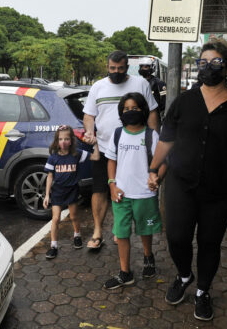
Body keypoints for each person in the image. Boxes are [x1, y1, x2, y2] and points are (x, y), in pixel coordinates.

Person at [148, 38, 227, 321]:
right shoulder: (185, 101)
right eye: (203, 63)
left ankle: (203, 291)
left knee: (209, 241)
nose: (208, 68)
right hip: (181, 183)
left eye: (215, 63)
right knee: (176, 236)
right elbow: (167, 139)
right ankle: (185, 275)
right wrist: (154, 169)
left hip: (222, 189)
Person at [83, 50, 159, 249]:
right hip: (104, 148)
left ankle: (121, 230)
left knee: (131, 190)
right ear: (107, 67)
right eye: (112, 68)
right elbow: (89, 115)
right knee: (100, 189)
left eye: (120, 68)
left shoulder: (140, 84)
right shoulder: (98, 87)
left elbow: (152, 112)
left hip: (134, 149)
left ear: (127, 67)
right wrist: (90, 132)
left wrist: (153, 141)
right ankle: (98, 231)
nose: (116, 72)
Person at [103, 92, 166, 289]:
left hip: (144, 194)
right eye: (126, 109)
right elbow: (111, 160)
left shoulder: (151, 135)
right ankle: (125, 272)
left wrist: (157, 178)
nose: (131, 112)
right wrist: (112, 184)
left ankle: (148, 256)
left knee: (145, 230)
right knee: (121, 233)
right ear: (121, 112)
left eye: (135, 108)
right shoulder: (117, 134)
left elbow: (164, 162)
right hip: (121, 194)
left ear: (144, 110)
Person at [43, 125, 99, 259]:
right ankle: (53, 246)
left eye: (67, 139)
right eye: (61, 139)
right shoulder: (53, 157)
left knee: (74, 216)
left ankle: (77, 235)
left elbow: (96, 157)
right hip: (57, 192)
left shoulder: (76, 154)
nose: (63, 142)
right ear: (57, 141)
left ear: (71, 140)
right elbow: (50, 176)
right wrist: (46, 195)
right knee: (55, 218)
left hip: (72, 190)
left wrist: (95, 144)